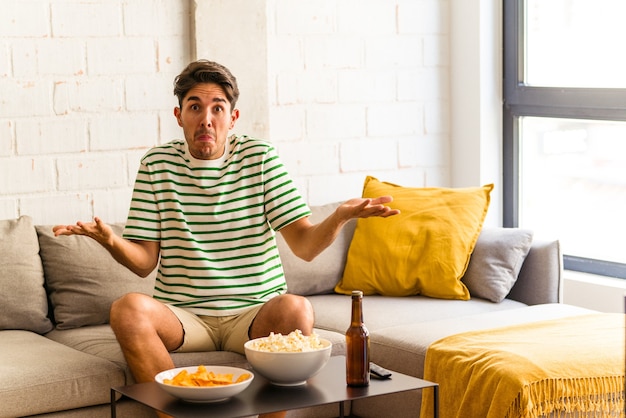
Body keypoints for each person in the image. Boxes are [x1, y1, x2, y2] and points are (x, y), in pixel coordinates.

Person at [53, 60, 399, 418]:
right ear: (179, 115)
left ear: (232, 118)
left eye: (217, 108)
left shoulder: (260, 159)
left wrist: (340, 216)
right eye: (195, 107)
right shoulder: (156, 165)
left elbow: (305, 246)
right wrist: (111, 239)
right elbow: (144, 263)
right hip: (185, 316)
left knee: (296, 308)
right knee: (127, 309)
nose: (206, 119)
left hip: (254, 313)